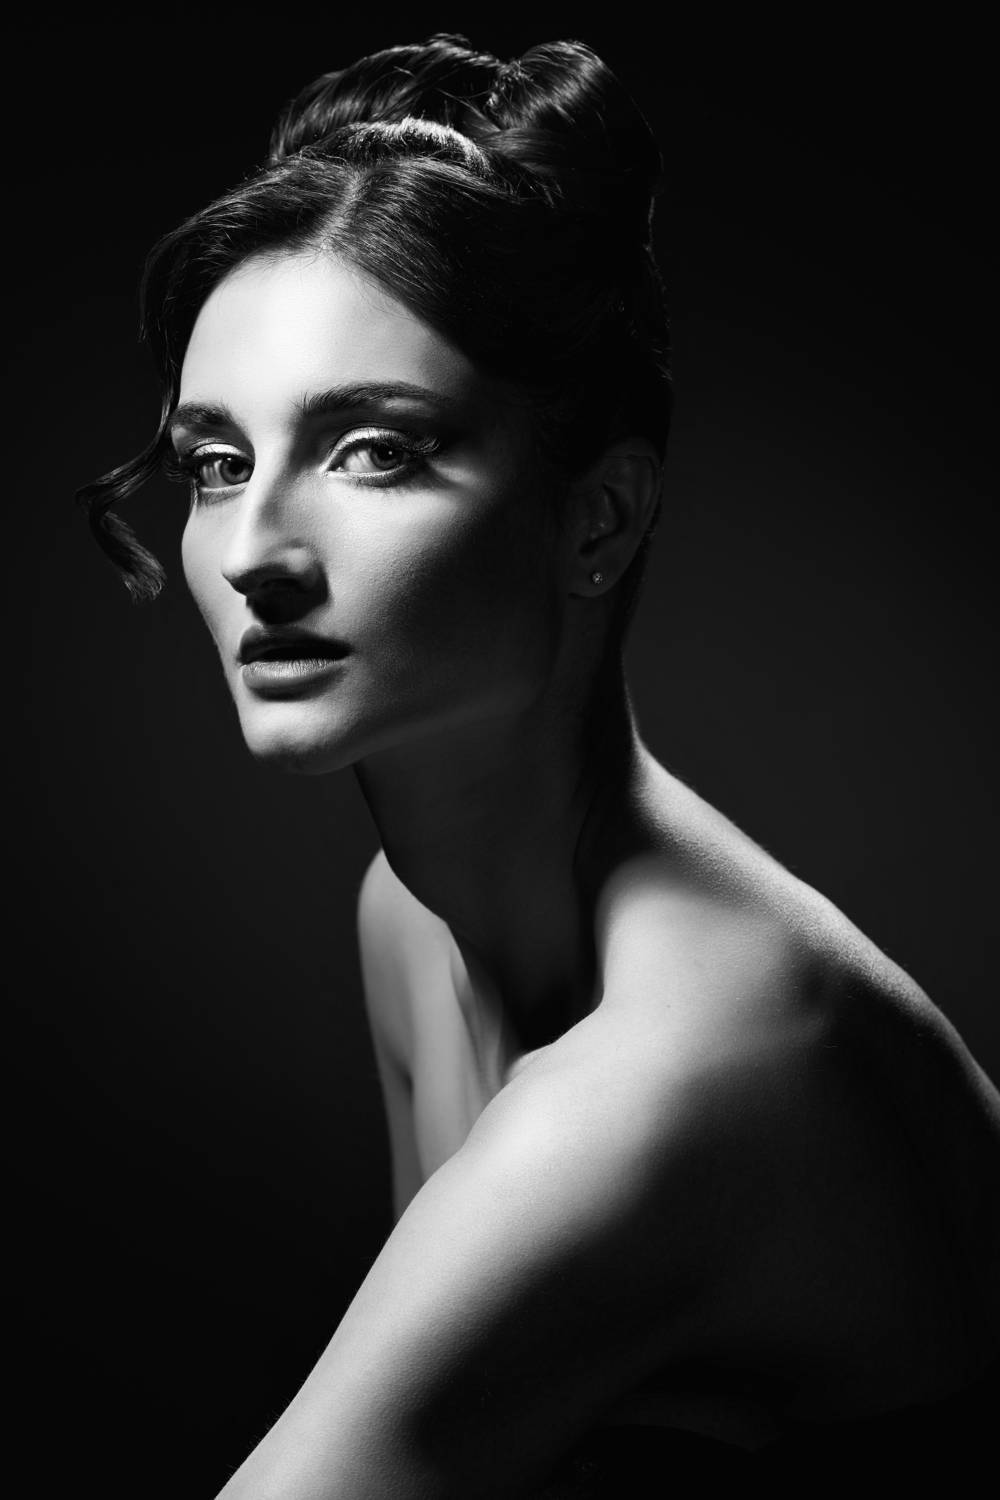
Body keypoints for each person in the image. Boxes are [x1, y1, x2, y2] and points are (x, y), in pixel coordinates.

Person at [78, 33, 1000, 1499]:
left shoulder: (685, 1071)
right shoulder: (410, 917)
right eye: (217, 464)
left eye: (374, 450)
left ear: (598, 519)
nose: (255, 554)